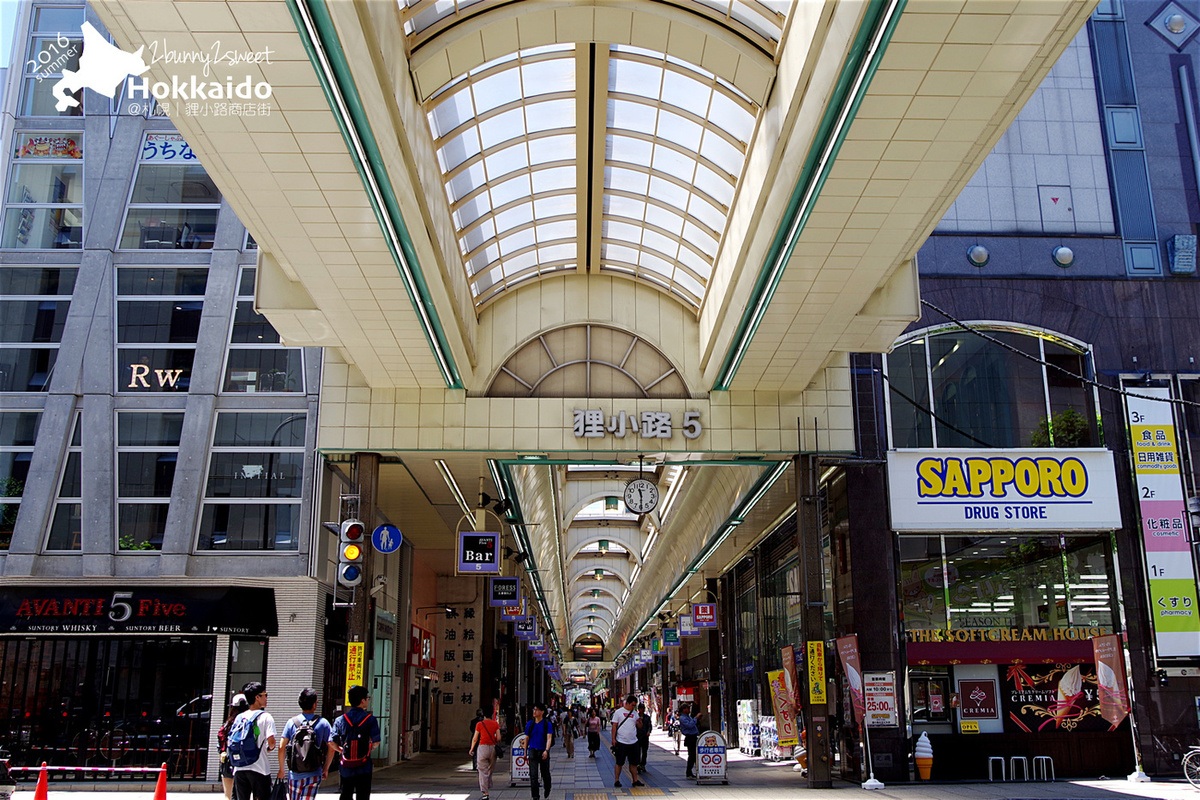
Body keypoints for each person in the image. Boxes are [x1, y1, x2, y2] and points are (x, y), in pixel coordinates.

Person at [278, 689, 335, 800]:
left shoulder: (291, 722)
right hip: (314, 772)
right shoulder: (323, 723)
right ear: (314, 704)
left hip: (295, 774)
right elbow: (331, 746)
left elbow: (281, 747)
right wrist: (326, 768)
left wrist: (282, 769)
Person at [333, 685, 381, 800]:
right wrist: (370, 748)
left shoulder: (340, 719)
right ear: (362, 700)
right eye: (367, 698)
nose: (368, 700)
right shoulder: (370, 719)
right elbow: (376, 741)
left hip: (346, 766)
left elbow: (331, 741)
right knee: (363, 795)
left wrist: (341, 750)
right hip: (364, 765)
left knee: (345, 793)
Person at [231, 683, 277, 800]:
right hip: (259, 767)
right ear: (257, 697)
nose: (266, 698)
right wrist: (268, 748)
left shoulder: (240, 717)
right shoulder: (266, 717)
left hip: (239, 768)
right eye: (265, 695)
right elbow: (271, 742)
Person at [218, 694, 249, 800]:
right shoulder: (248, 723)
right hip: (246, 762)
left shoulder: (227, 724)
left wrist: (221, 753)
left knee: (228, 795)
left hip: (228, 761)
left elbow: (220, 741)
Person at [469, 708, 502, 800]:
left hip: (482, 747)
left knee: (482, 769)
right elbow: (498, 738)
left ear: (483, 714)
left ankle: (485, 792)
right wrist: (493, 740)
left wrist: (472, 748)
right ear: (492, 714)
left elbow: (475, 738)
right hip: (492, 748)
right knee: (490, 768)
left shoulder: (479, 724)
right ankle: (488, 783)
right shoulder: (495, 724)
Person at [610, 695, 643, 788]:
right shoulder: (619, 712)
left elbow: (639, 726)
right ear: (627, 703)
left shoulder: (635, 713)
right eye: (632, 705)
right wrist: (613, 739)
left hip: (633, 742)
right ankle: (616, 780)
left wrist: (640, 721)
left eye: (634, 706)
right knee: (619, 762)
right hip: (621, 742)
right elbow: (614, 726)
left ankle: (635, 780)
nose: (633, 707)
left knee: (634, 763)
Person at [524, 703, 554, 800]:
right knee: (533, 775)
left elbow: (549, 738)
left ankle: (547, 788)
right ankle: (535, 796)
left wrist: (546, 750)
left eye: (536, 710)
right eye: (534, 709)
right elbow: (526, 738)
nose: (534, 711)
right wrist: (525, 752)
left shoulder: (547, 724)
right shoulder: (530, 724)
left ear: (542, 712)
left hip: (543, 751)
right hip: (533, 750)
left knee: (545, 773)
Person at [678, 703, 699, 780]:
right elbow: (690, 725)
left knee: (694, 755)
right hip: (690, 737)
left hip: (693, 737)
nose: (689, 709)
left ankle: (695, 771)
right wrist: (696, 718)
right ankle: (689, 772)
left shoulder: (688, 716)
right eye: (687, 708)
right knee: (692, 755)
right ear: (684, 710)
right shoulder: (683, 718)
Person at [635, 702, 652, 772]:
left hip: (645, 737)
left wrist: (648, 731)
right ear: (638, 709)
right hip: (637, 736)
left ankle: (643, 764)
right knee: (637, 751)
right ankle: (638, 764)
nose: (642, 710)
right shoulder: (636, 717)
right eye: (640, 708)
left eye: (643, 708)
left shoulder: (647, 718)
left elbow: (649, 726)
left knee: (644, 751)